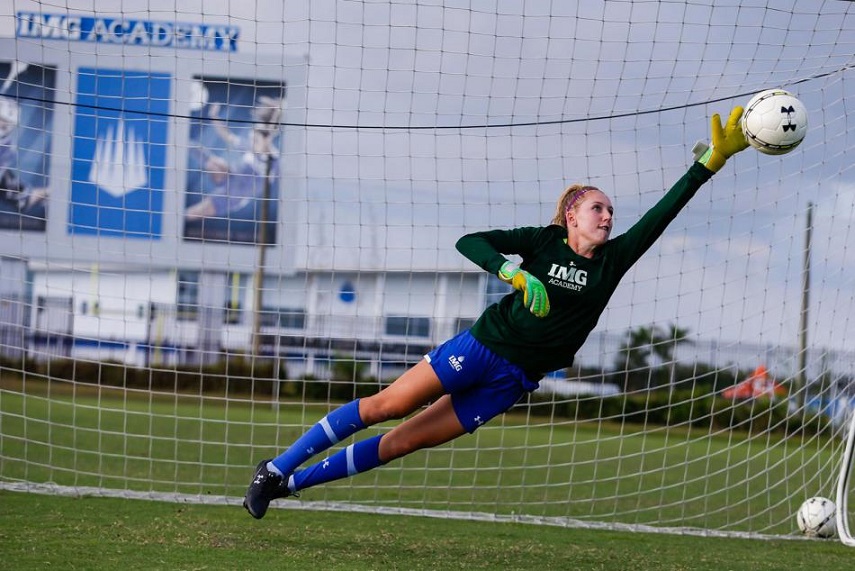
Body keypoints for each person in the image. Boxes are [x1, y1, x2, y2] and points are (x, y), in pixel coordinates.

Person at [243, 106, 750, 519]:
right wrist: (513, 273)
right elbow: (470, 241)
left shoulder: (614, 260)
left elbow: (664, 212)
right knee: (386, 407)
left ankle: (289, 484)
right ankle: (276, 466)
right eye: (598, 208)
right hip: (480, 349)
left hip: (512, 381)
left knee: (400, 443)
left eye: (611, 211)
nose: (608, 216)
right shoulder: (543, 241)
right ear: (572, 215)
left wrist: (706, 165)